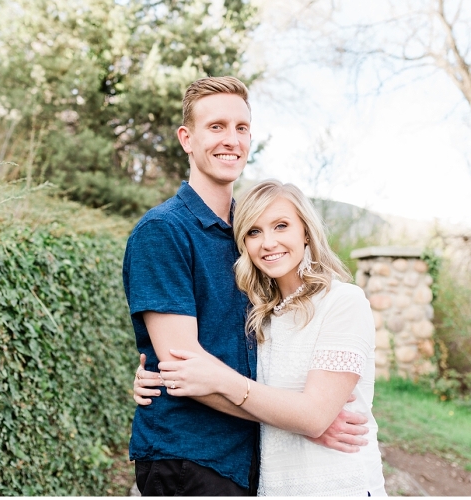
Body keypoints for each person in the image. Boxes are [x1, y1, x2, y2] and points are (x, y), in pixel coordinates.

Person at [122, 76, 369, 497]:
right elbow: (185, 371)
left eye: (241, 128)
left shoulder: (249, 234)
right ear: (187, 138)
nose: (230, 140)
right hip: (191, 458)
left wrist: (307, 416)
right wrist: (300, 420)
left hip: (251, 461)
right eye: (216, 127)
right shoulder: (163, 231)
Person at [156, 180, 386, 496]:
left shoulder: (343, 301)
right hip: (274, 486)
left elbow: (314, 416)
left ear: (305, 231)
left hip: (336, 482)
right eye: (254, 231)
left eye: (281, 226)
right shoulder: (260, 315)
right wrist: (156, 376)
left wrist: (220, 379)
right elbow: (279, 407)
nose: (268, 242)